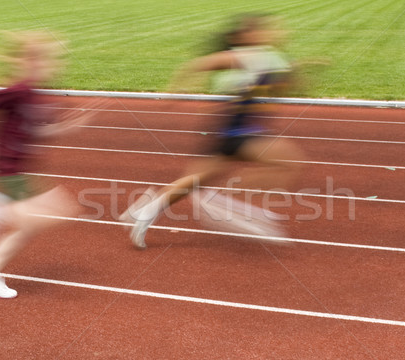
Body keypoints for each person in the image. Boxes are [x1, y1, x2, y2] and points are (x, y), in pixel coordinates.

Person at [120, 14, 303, 249]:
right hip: (240, 131)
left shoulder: (271, 58)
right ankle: (224, 202)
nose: (279, 32)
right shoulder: (250, 54)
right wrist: (176, 90)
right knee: (288, 161)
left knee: (193, 181)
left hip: (231, 130)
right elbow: (200, 64)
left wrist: (296, 74)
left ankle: (144, 212)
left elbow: (275, 92)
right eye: (272, 28)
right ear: (252, 34)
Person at [0, 31, 94, 298]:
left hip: (21, 170)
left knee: (42, 218)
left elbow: (37, 132)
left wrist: (68, 126)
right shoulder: (20, 90)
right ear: (30, 63)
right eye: (48, 60)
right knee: (54, 212)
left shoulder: (37, 96)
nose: (55, 65)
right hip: (9, 169)